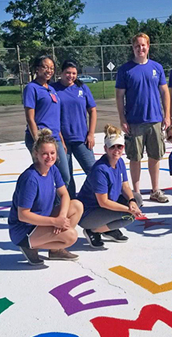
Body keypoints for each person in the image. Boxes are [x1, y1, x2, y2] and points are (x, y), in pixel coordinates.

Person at [8, 129, 83, 265]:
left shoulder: (52, 169)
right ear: (36, 154)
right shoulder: (30, 179)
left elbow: (64, 194)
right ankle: (29, 246)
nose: (49, 157)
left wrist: (61, 217)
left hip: (44, 220)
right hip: (24, 229)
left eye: (52, 153)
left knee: (77, 205)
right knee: (71, 237)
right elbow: (23, 215)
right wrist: (54, 222)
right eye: (45, 154)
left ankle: (55, 250)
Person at [115, 32, 171, 204]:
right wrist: (123, 119)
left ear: (148, 46)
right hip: (135, 121)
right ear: (133, 48)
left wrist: (167, 115)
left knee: (155, 156)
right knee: (135, 157)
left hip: (154, 120)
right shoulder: (125, 70)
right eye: (137, 46)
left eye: (143, 45)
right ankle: (136, 192)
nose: (140, 48)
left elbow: (164, 92)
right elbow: (119, 96)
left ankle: (155, 190)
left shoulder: (157, 67)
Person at [77, 124, 143, 248]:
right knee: (128, 216)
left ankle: (107, 228)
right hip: (90, 212)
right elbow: (103, 202)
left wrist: (132, 201)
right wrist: (129, 209)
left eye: (119, 146)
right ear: (106, 149)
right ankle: (93, 230)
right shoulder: (100, 170)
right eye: (112, 147)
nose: (116, 150)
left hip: (105, 207)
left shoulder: (120, 162)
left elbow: (125, 186)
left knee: (137, 198)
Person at [23, 55, 71, 190]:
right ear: (37, 69)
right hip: (40, 139)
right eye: (45, 67)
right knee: (43, 175)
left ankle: (57, 206)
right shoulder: (31, 88)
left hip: (55, 138)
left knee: (64, 177)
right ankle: (42, 207)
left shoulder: (51, 89)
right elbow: (30, 118)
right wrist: (37, 141)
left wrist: (61, 139)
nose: (49, 70)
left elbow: (55, 117)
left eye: (51, 68)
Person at [50, 60, 98, 197]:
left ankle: (96, 198)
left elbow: (93, 110)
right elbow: (51, 115)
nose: (70, 76)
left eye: (74, 73)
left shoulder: (82, 88)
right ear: (61, 73)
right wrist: (59, 138)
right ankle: (69, 204)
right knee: (66, 177)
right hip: (61, 141)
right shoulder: (53, 89)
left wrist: (91, 133)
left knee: (93, 171)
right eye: (67, 73)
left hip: (81, 138)